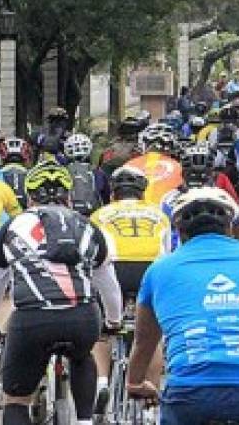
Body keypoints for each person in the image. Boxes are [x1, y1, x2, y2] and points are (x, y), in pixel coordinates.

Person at [125, 187, 239, 424]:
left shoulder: (160, 269)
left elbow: (144, 342)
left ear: (180, 231)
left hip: (188, 394)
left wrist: (135, 383)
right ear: (230, 228)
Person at [0, 161, 123, 425]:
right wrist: (113, 321)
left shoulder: (14, 227)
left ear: (29, 197)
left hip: (32, 319)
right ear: (68, 196)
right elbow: (108, 284)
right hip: (82, 317)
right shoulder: (87, 227)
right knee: (81, 356)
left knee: (16, 400)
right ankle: (85, 420)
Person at [89, 165, 171, 413]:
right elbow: (168, 252)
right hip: (151, 270)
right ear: (142, 193)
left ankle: (102, 382)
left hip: (114, 269)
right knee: (151, 336)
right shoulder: (159, 214)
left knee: (102, 330)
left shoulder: (99, 214)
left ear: (113, 193)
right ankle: (151, 393)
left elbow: (93, 255)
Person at [62, 132, 102, 216]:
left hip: (68, 215)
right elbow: (106, 198)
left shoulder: (62, 172)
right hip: (93, 214)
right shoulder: (97, 173)